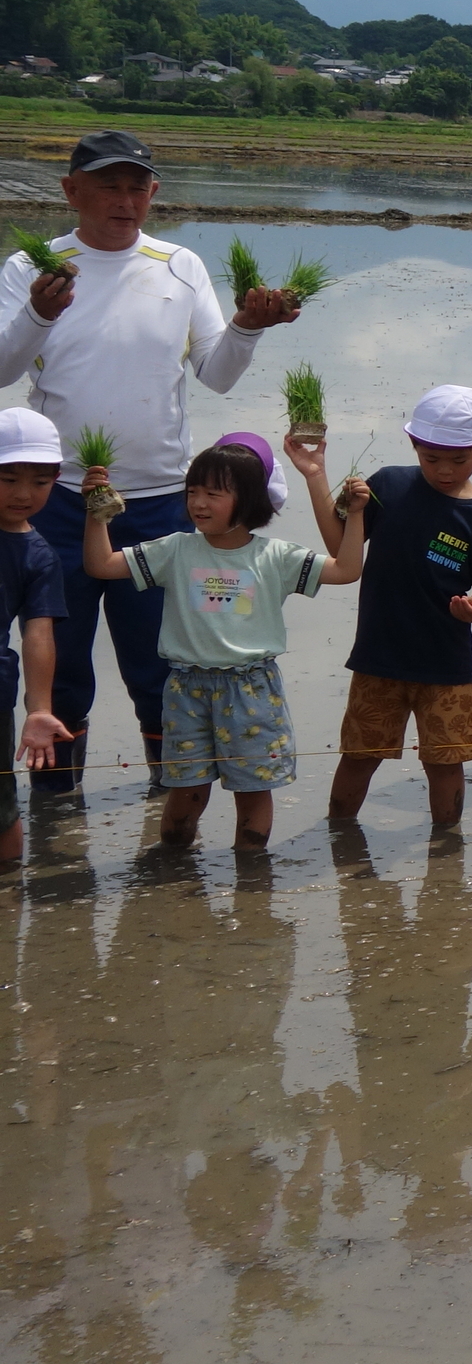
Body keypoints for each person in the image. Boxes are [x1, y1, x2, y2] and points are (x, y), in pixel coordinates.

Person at [0, 129, 304, 790]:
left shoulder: (179, 265)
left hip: (161, 503)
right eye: (108, 184)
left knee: (160, 663)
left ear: (154, 193)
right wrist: (38, 317)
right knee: (64, 665)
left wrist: (249, 327)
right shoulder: (34, 269)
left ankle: (175, 805)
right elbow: (2, 368)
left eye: (137, 185)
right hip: (60, 503)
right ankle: (59, 808)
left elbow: (217, 373)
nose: (125, 198)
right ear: (71, 190)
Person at [81, 434, 364, 848]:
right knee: (185, 792)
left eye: (213, 494)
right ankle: (174, 872)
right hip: (186, 688)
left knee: (253, 791)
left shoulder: (276, 556)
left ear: (249, 500)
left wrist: (354, 515)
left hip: (251, 689)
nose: (198, 503)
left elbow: (346, 570)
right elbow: (101, 565)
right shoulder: (175, 549)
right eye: (192, 491)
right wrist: (96, 512)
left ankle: (251, 885)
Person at [307, 385, 472, 833]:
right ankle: (338, 834)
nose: (443, 470)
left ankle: (447, 844)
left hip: (447, 664)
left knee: (446, 762)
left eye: (459, 460)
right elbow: (342, 549)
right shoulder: (389, 484)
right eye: (431, 457)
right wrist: (318, 479)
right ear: (414, 445)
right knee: (360, 755)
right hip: (380, 657)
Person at [0, 408, 73, 865]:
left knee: (2, 804)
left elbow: (39, 633)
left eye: (40, 482)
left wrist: (40, 708)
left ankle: (8, 899)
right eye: (8, 479)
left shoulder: (38, 555)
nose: (24, 494)